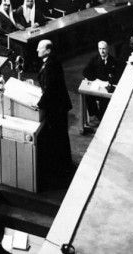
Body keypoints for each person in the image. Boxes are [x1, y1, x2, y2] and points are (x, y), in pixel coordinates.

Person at [36, 40, 73, 185]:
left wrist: (38, 104)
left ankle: (62, 169)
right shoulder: (49, 62)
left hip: (57, 106)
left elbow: (51, 87)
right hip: (55, 104)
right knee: (59, 136)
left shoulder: (52, 64)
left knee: (59, 136)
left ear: (48, 50)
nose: (37, 50)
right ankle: (62, 165)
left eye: (40, 48)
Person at [81, 41, 124, 125]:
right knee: (88, 95)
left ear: (107, 49)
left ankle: (101, 119)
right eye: (100, 49)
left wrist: (110, 81)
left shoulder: (114, 61)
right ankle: (94, 116)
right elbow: (85, 71)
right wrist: (95, 79)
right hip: (98, 85)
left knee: (104, 100)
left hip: (107, 86)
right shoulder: (94, 59)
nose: (102, 51)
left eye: (103, 49)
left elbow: (118, 74)